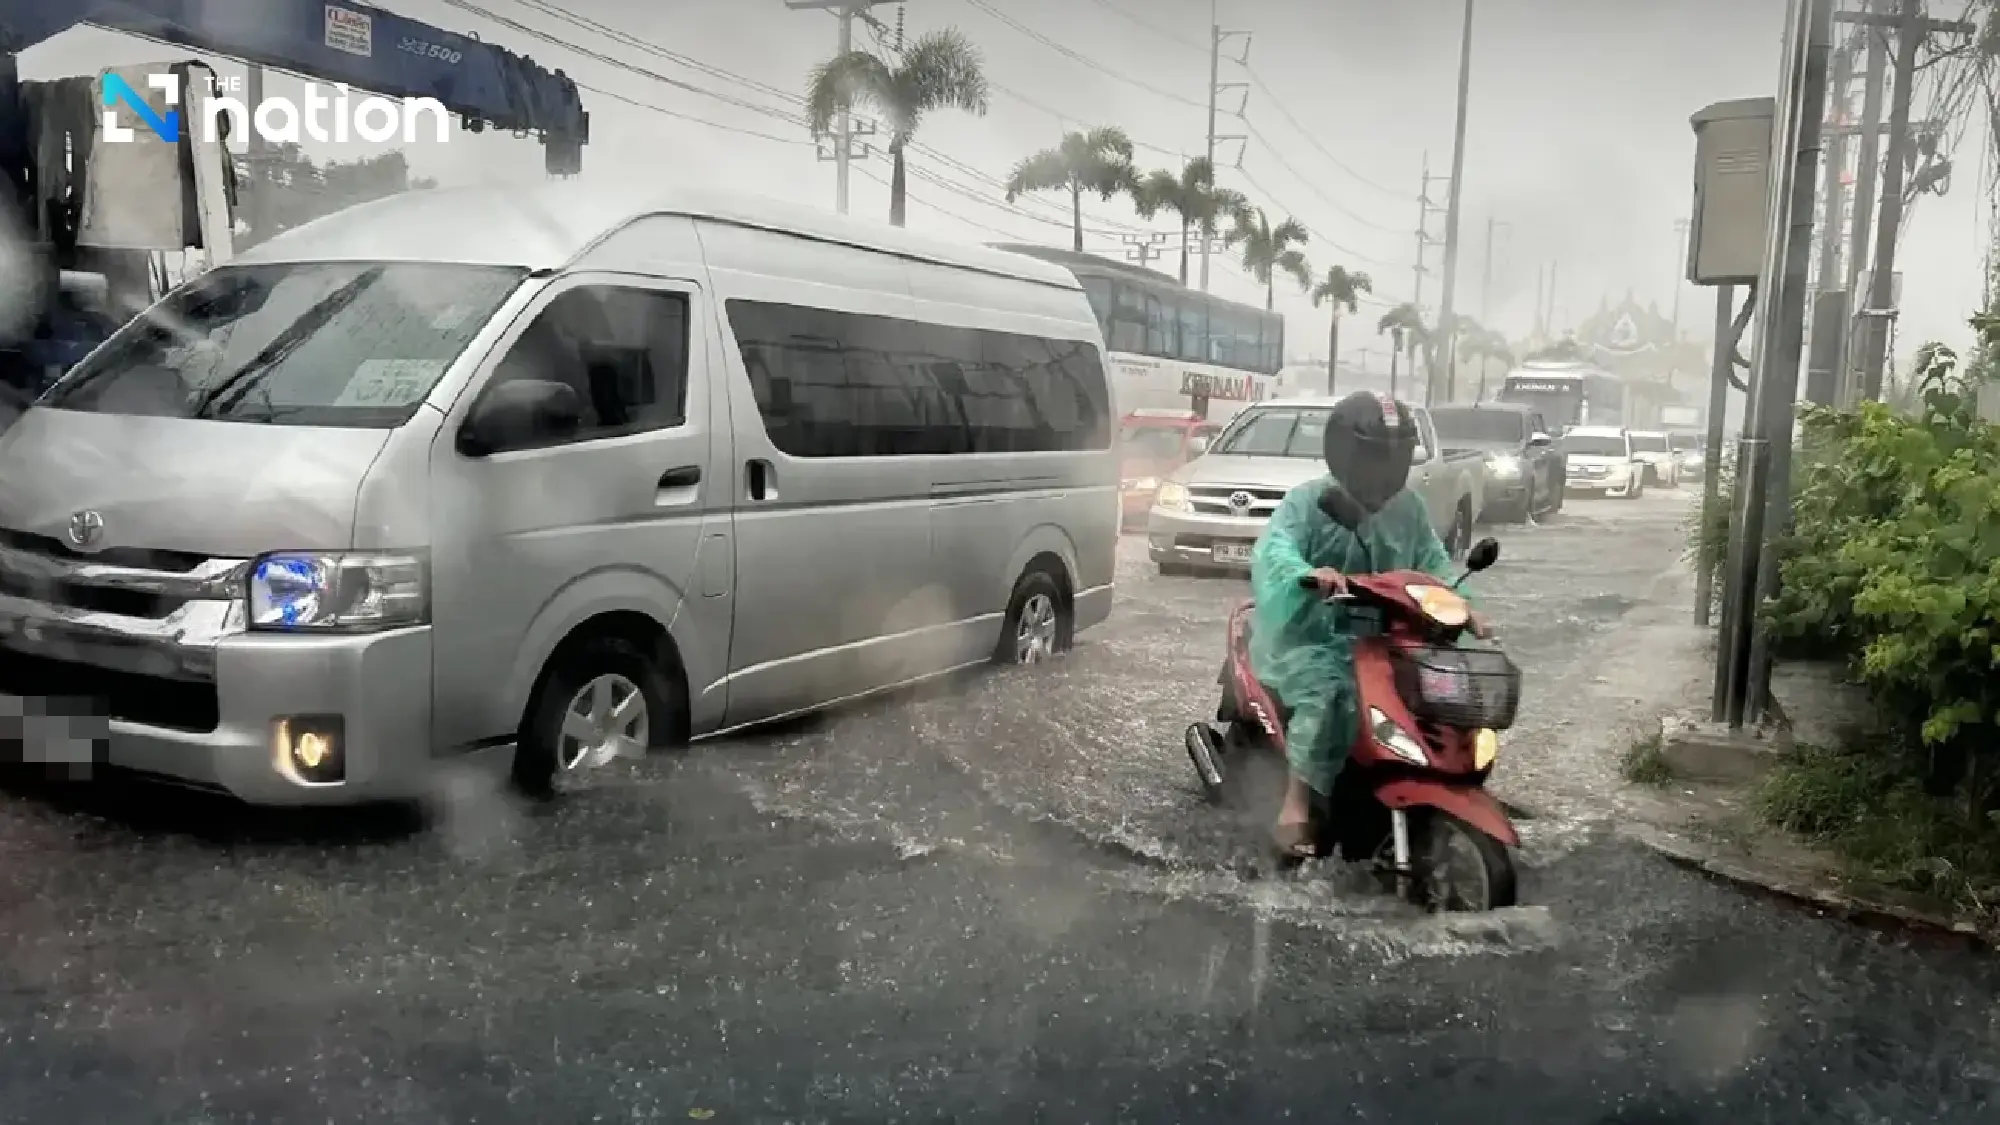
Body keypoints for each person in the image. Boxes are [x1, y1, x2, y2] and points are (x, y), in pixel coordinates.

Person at [1246, 391, 1490, 859]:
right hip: (1312, 636)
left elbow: (1434, 563)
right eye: (1376, 456)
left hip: (1387, 639)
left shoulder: (1408, 508)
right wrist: (1308, 575)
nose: (1384, 469)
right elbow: (1276, 550)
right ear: (1347, 453)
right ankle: (1297, 802)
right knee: (1329, 694)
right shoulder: (1308, 503)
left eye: (1394, 457)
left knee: (1441, 694)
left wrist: (1467, 604)